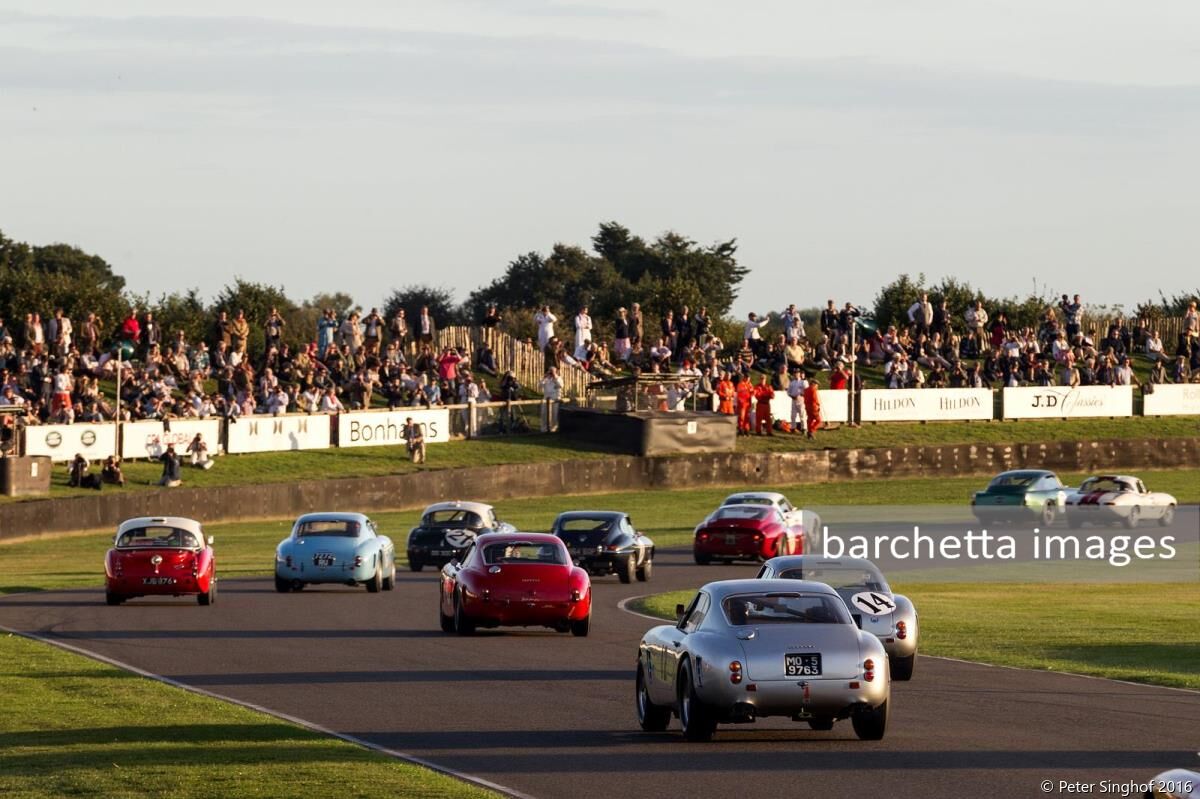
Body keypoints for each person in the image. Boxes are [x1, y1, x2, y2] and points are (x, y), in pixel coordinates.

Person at [786, 369, 808, 434]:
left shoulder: (803, 382)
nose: (796, 374)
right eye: (795, 373)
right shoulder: (792, 382)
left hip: (801, 400)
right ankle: (793, 428)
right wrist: (791, 396)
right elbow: (788, 392)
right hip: (794, 400)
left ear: (799, 374)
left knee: (802, 415)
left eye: (797, 373)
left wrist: (801, 395)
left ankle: (804, 428)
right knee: (793, 415)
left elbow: (807, 390)